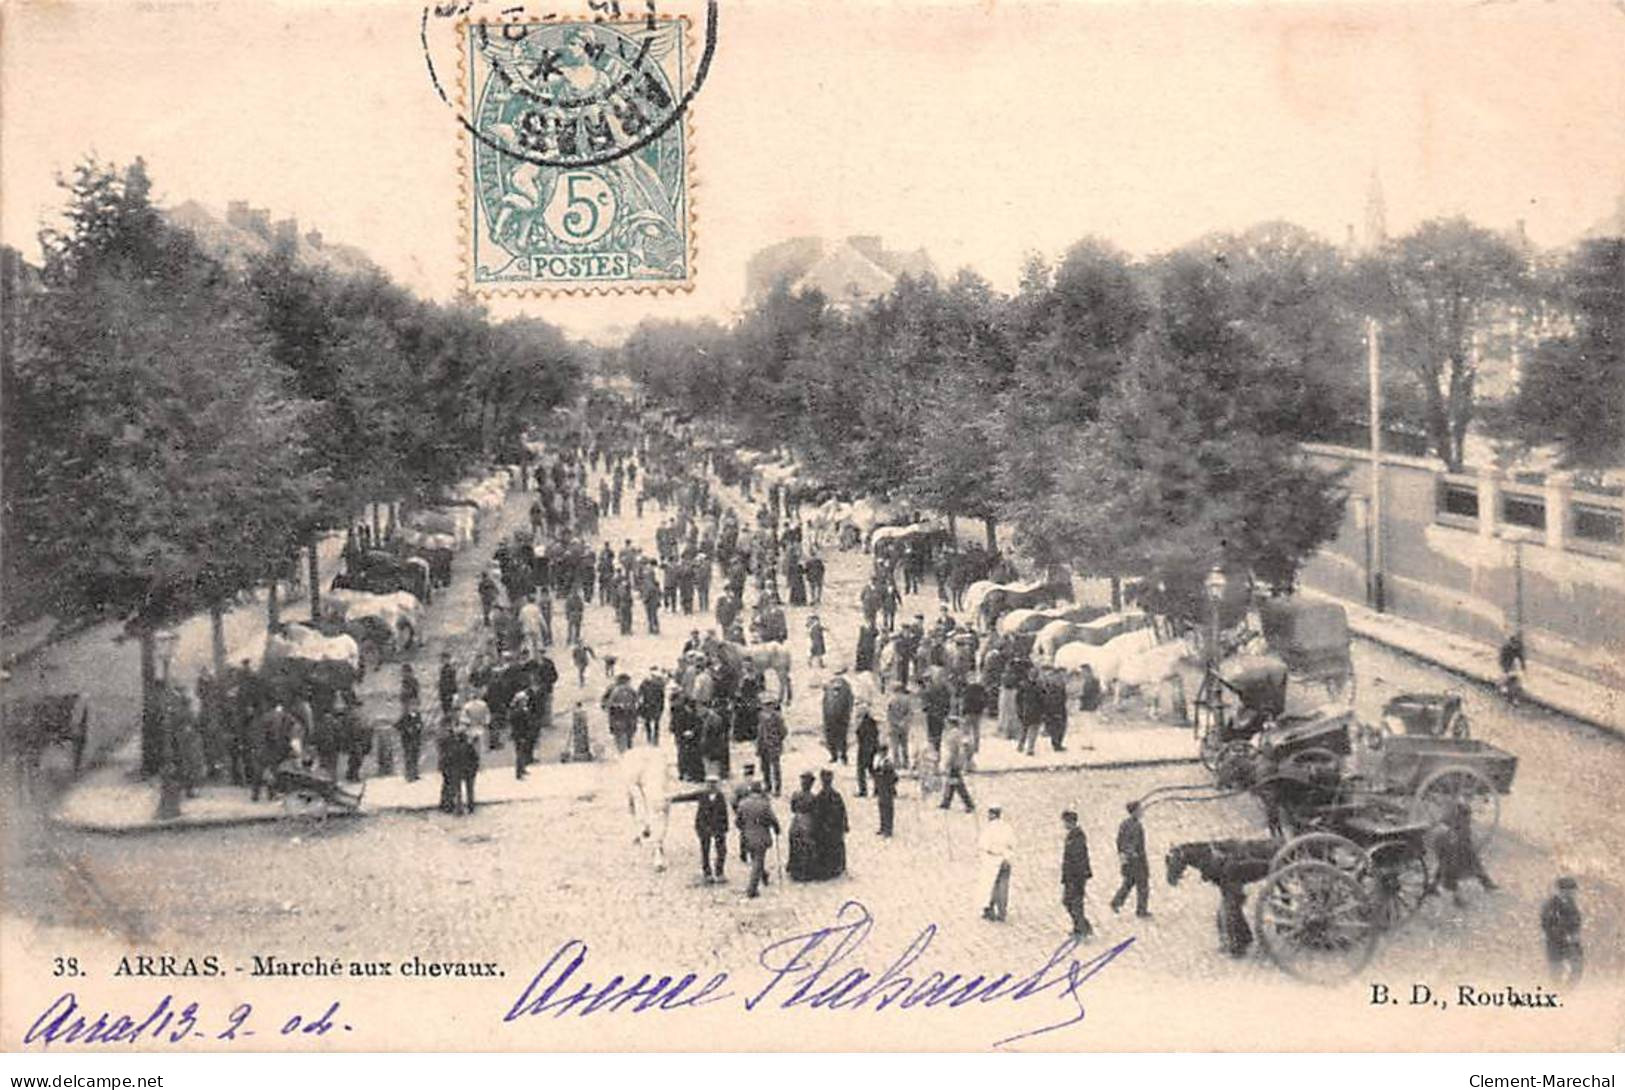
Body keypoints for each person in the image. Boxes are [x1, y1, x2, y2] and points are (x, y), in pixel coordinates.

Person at [1434, 797, 1497, 906]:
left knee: (1458, 859)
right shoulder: (1457, 829)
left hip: (1450, 840)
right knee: (1457, 862)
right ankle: (1458, 895)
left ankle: (1484, 882)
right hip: (1453, 843)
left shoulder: (1452, 822)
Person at [735, 782, 780, 899]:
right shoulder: (764, 804)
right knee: (758, 861)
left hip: (747, 837)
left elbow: (737, 822)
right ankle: (752, 889)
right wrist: (777, 829)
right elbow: (772, 819)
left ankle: (764, 875)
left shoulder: (742, 803)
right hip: (761, 836)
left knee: (755, 858)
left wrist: (745, 828)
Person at [1110, 801, 1152, 918]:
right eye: (1140, 810)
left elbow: (1119, 841)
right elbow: (1127, 842)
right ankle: (1141, 910)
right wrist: (1131, 853)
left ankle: (1116, 903)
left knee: (1129, 883)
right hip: (1136, 860)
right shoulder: (1135, 825)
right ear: (1134, 811)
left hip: (1130, 860)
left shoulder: (1125, 824)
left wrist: (1123, 855)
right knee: (1142, 885)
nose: (1142, 811)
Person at [1540, 877, 1583, 985]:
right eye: (1567, 890)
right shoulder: (1551, 904)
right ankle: (1559, 992)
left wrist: (1574, 935)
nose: (1571, 893)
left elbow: (1575, 922)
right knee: (1556, 970)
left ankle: (1567, 990)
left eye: (1572, 890)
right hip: (1556, 942)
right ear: (1560, 890)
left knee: (1577, 966)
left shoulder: (1571, 903)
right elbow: (1547, 925)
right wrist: (1564, 935)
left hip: (1571, 941)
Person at [978, 804, 1015, 922]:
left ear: (992, 815)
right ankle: (1002, 912)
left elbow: (983, 845)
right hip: (1005, 859)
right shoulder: (1007, 827)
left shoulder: (988, 828)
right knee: (1003, 887)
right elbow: (1013, 844)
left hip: (992, 859)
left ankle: (989, 909)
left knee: (990, 886)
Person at [1060, 809, 1093, 939]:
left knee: (1073, 902)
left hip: (1076, 877)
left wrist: (1077, 878)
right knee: (1070, 901)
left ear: (1070, 822)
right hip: (1072, 876)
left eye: (1065, 822)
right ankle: (1082, 926)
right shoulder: (1073, 835)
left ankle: (1081, 928)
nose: (1064, 825)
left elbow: (1078, 859)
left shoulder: (1077, 836)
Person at [812, 768, 849, 879]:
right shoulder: (836, 795)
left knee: (827, 847)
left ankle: (829, 868)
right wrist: (845, 824)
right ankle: (837, 867)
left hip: (826, 829)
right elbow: (843, 811)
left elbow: (817, 814)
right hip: (835, 828)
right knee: (836, 847)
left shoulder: (820, 796)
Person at [694, 774, 730, 884]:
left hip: (718, 828)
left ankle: (719, 872)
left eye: (714, 783)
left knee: (721, 851)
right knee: (705, 851)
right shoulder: (702, 795)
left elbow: (724, 813)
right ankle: (707, 873)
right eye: (710, 783)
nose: (712, 786)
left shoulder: (720, 796)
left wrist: (725, 827)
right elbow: (686, 797)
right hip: (704, 828)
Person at [938, 717, 975, 812]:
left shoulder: (952, 735)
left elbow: (951, 751)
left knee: (958, 784)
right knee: (952, 782)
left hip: (954, 761)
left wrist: (947, 763)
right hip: (958, 761)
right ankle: (946, 801)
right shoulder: (959, 734)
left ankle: (968, 803)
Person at [787, 771, 819, 881]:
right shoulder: (813, 797)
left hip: (796, 820)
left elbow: (792, 808)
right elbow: (816, 811)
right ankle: (806, 871)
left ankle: (794, 869)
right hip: (808, 821)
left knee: (795, 844)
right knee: (807, 846)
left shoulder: (796, 794)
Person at [821, 671, 853, 765]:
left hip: (841, 717)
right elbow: (825, 703)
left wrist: (847, 714)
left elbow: (849, 702)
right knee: (831, 736)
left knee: (842, 737)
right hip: (830, 717)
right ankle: (834, 755)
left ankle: (843, 756)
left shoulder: (846, 687)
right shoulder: (829, 688)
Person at [756, 697, 785, 796]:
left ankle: (777, 788)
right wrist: (758, 745)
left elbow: (784, 732)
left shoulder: (777, 717)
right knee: (765, 767)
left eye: (770, 705)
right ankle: (768, 786)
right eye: (765, 705)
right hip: (763, 745)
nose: (767, 707)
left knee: (775, 768)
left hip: (773, 746)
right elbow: (760, 731)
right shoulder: (761, 716)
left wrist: (777, 741)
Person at [853, 703, 880, 797]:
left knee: (861, 770)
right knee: (871, 770)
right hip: (872, 749)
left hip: (864, 749)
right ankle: (878, 788)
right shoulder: (872, 723)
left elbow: (860, 735)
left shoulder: (864, 724)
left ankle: (863, 790)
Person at [638, 667, 667, 745]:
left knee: (648, 722)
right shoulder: (659, 684)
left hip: (648, 705)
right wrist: (662, 706)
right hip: (655, 705)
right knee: (656, 722)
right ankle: (655, 739)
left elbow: (639, 694)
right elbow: (662, 696)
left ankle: (650, 738)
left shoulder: (645, 683)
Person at [872, 752, 899, 837]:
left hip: (886, 789)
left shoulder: (888, 762)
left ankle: (888, 829)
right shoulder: (878, 760)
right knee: (882, 808)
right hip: (881, 789)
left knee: (887, 809)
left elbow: (894, 777)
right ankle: (883, 827)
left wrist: (890, 785)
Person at [885, 687, 913, 768]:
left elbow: (888, 714)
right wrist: (904, 722)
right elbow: (910, 713)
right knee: (904, 745)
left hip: (893, 726)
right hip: (904, 726)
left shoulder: (890, 700)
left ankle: (897, 763)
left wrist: (895, 722)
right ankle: (906, 762)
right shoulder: (907, 700)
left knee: (895, 745)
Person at [397, 707, 425, 782]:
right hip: (407, 740)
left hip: (416, 739)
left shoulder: (418, 716)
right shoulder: (405, 717)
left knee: (415, 757)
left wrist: (419, 727)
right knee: (409, 757)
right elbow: (398, 726)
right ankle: (409, 775)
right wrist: (406, 729)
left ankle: (415, 773)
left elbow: (421, 725)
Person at [1498, 631, 1527, 705]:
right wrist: (1506, 669)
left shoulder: (1519, 648)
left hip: (1513, 663)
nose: (1515, 646)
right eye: (1514, 644)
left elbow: (1521, 658)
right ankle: (1503, 687)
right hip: (1507, 662)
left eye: (1516, 644)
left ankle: (1516, 696)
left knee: (1517, 680)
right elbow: (1502, 660)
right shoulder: (1505, 649)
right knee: (1505, 677)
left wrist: (1523, 667)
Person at [437, 652, 458, 719]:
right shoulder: (443, 669)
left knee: (449, 706)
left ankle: (449, 718)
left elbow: (452, 682)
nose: (444, 661)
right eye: (443, 659)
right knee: (445, 707)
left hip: (449, 691)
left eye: (446, 659)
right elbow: (441, 682)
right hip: (444, 692)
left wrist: (454, 692)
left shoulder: (450, 670)